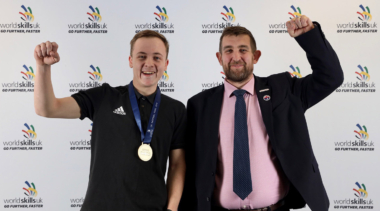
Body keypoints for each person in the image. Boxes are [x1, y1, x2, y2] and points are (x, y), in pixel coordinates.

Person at [179, 15, 343, 211]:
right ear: (219, 57)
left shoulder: (283, 89)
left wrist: (309, 37)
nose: (236, 57)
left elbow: (330, 77)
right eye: (229, 50)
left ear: (255, 56)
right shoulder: (199, 105)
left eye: (243, 50)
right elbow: (190, 166)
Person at [34, 30, 186, 211]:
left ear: (166, 64)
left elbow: (177, 164)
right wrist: (43, 68)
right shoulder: (104, 97)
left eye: (157, 58)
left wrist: (172, 208)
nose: (149, 63)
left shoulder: (176, 110)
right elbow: (48, 109)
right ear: (130, 61)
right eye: (141, 56)